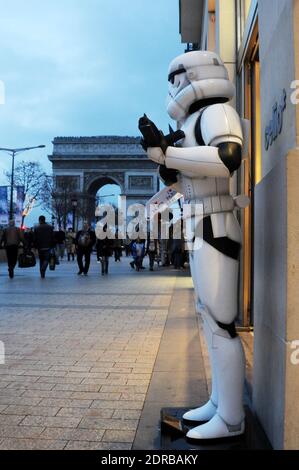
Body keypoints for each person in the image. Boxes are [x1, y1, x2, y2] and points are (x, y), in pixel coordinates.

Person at [143, 50, 249, 440]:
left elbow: (227, 157)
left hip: (216, 222)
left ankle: (232, 416)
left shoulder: (217, 114)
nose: (173, 88)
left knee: (221, 321)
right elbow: (184, 180)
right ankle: (221, 402)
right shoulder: (196, 121)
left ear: (194, 75)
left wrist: (170, 153)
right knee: (208, 316)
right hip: (199, 222)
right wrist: (165, 160)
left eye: (176, 78)